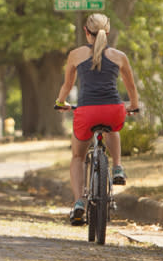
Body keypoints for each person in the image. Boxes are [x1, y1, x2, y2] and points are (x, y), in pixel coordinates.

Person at [54, 13, 139, 226]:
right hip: (113, 109)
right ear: (107, 32)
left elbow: (67, 86)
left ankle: (79, 203)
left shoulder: (75, 55)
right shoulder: (119, 56)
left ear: (86, 31)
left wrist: (61, 102)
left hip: (86, 111)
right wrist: (133, 106)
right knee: (112, 128)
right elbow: (131, 87)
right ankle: (118, 166)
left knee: (78, 157)